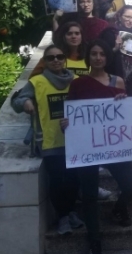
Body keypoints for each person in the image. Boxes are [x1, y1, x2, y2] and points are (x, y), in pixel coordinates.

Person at [62, 40, 132, 254]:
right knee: (88, 195)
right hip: (87, 145)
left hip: (113, 144)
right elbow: (72, 112)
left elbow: (124, 114)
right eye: (94, 54)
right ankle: (94, 241)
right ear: (89, 58)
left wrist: (122, 102)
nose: (97, 57)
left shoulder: (118, 82)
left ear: (107, 58)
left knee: (131, 187)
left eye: (102, 54)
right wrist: (66, 123)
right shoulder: (78, 84)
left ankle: (119, 208)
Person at [12, 45, 84, 235]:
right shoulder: (36, 82)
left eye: (60, 56)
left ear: (65, 59)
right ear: (45, 61)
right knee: (57, 181)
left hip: (74, 140)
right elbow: (16, 101)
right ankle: (62, 217)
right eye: (51, 58)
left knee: (73, 180)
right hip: (49, 141)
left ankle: (71, 213)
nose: (56, 60)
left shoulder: (76, 81)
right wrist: (25, 102)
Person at [99, 5, 132, 97]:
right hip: (115, 77)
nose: (130, 20)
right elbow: (102, 58)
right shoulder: (110, 33)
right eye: (127, 17)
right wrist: (115, 48)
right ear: (120, 16)